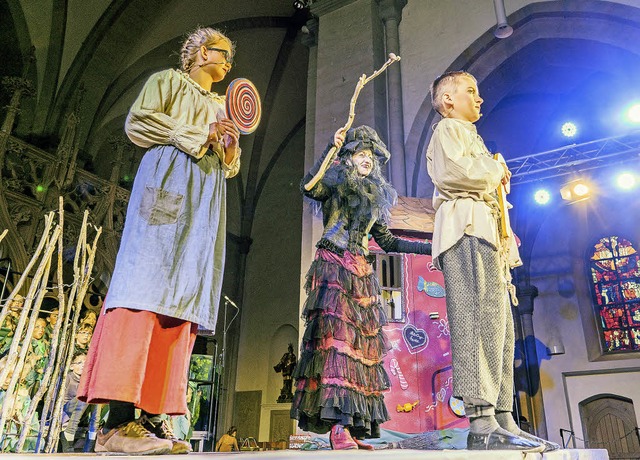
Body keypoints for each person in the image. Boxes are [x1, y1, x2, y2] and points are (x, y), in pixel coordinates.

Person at [77, 26, 240, 456]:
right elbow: (139, 122)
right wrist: (197, 133)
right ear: (202, 51)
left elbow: (229, 164)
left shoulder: (221, 104)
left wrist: (226, 144)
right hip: (167, 187)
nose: (228, 63)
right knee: (145, 286)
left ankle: (151, 415)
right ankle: (116, 423)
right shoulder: (168, 81)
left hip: (204, 202)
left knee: (181, 298)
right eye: (223, 54)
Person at [425, 71, 558, 452]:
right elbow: (457, 173)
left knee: (500, 329)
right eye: (470, 92)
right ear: (448, 99)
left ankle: (503, 416)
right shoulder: (447, 129)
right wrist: (497, 169)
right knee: (473, 322)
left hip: (487, 233)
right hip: (465, 227)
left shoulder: (473, 137)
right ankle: (480, 420)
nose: (479, 99)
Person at [290, 126, 432, 450]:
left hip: (361, 273)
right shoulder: (336, 185)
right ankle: (337, 428)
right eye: (360, 155)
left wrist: (431, 248)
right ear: (349, 158)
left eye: (370, 157)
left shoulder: (373, 199)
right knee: (337, 348)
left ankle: (351, 428)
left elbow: (388, 240)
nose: (366, 160)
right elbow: (309, 186)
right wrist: (331, 145)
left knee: (359, 354)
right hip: (335, 265)